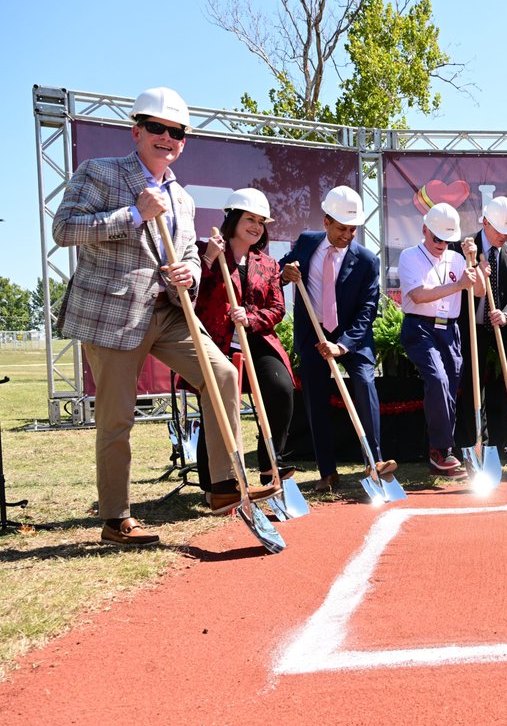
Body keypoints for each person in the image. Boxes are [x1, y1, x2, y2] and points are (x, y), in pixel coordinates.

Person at [51, 87, 277, 545]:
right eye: (157, 128)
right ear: (137, 131)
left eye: (176, 132)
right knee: (117, 419)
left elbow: (193, 258)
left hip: (169, 313)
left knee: (222, 377)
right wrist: (133, 213)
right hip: (114, 314)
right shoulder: (100, 173)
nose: (166, 137)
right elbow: (65, 229)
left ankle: (222, 485)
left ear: (183, 142)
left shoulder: (184, 199)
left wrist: (189, 275)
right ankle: (116, 518)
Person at [280, 185, 393, 492]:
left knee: (365, 382)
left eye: (353, 229)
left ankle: (375, 463)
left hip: (352, 337)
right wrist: (285, 272)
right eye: (342, 228)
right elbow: (283, 268)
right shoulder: (306, 242)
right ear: (326, 222)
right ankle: (327, 472)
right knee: (315, 399)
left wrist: (342, 344)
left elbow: (368, 310)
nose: (348, 235)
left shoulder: (367, 261)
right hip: (312, 332)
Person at [193, 189, 296, 495]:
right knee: (218, 404)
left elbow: (277, 308)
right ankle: (215, 482)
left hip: (256, 338)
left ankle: (269, 462)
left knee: (281, 389)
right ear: (233, 218)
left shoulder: (268, 264)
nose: (256, 226)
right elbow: (193, 297)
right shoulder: (206, 252)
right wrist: (209, 259)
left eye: (261, 222)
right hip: (218, 341)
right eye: (250, 219)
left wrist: (250, 317)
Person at [397, 203, 486, 477]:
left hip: (450, 329)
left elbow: (480, 291)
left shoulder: (458, 258)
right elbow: (418, 295)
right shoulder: (409, 256)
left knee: (450, 386)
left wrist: (476, 262)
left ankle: (444, 451)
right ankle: (441, 449)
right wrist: (458, 285)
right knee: (438, 379)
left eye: (447, 240)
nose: (441, 244)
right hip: (420, 328)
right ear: (425, 230)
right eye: (436, 237)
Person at [454, 196, 507, 448]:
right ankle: (478, 437)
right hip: (471, 324)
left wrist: (505, 314)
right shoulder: (464, 249)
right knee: (474, 373)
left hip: (502, 324)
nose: (504, 236)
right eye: (500, 231)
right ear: (485, 222)